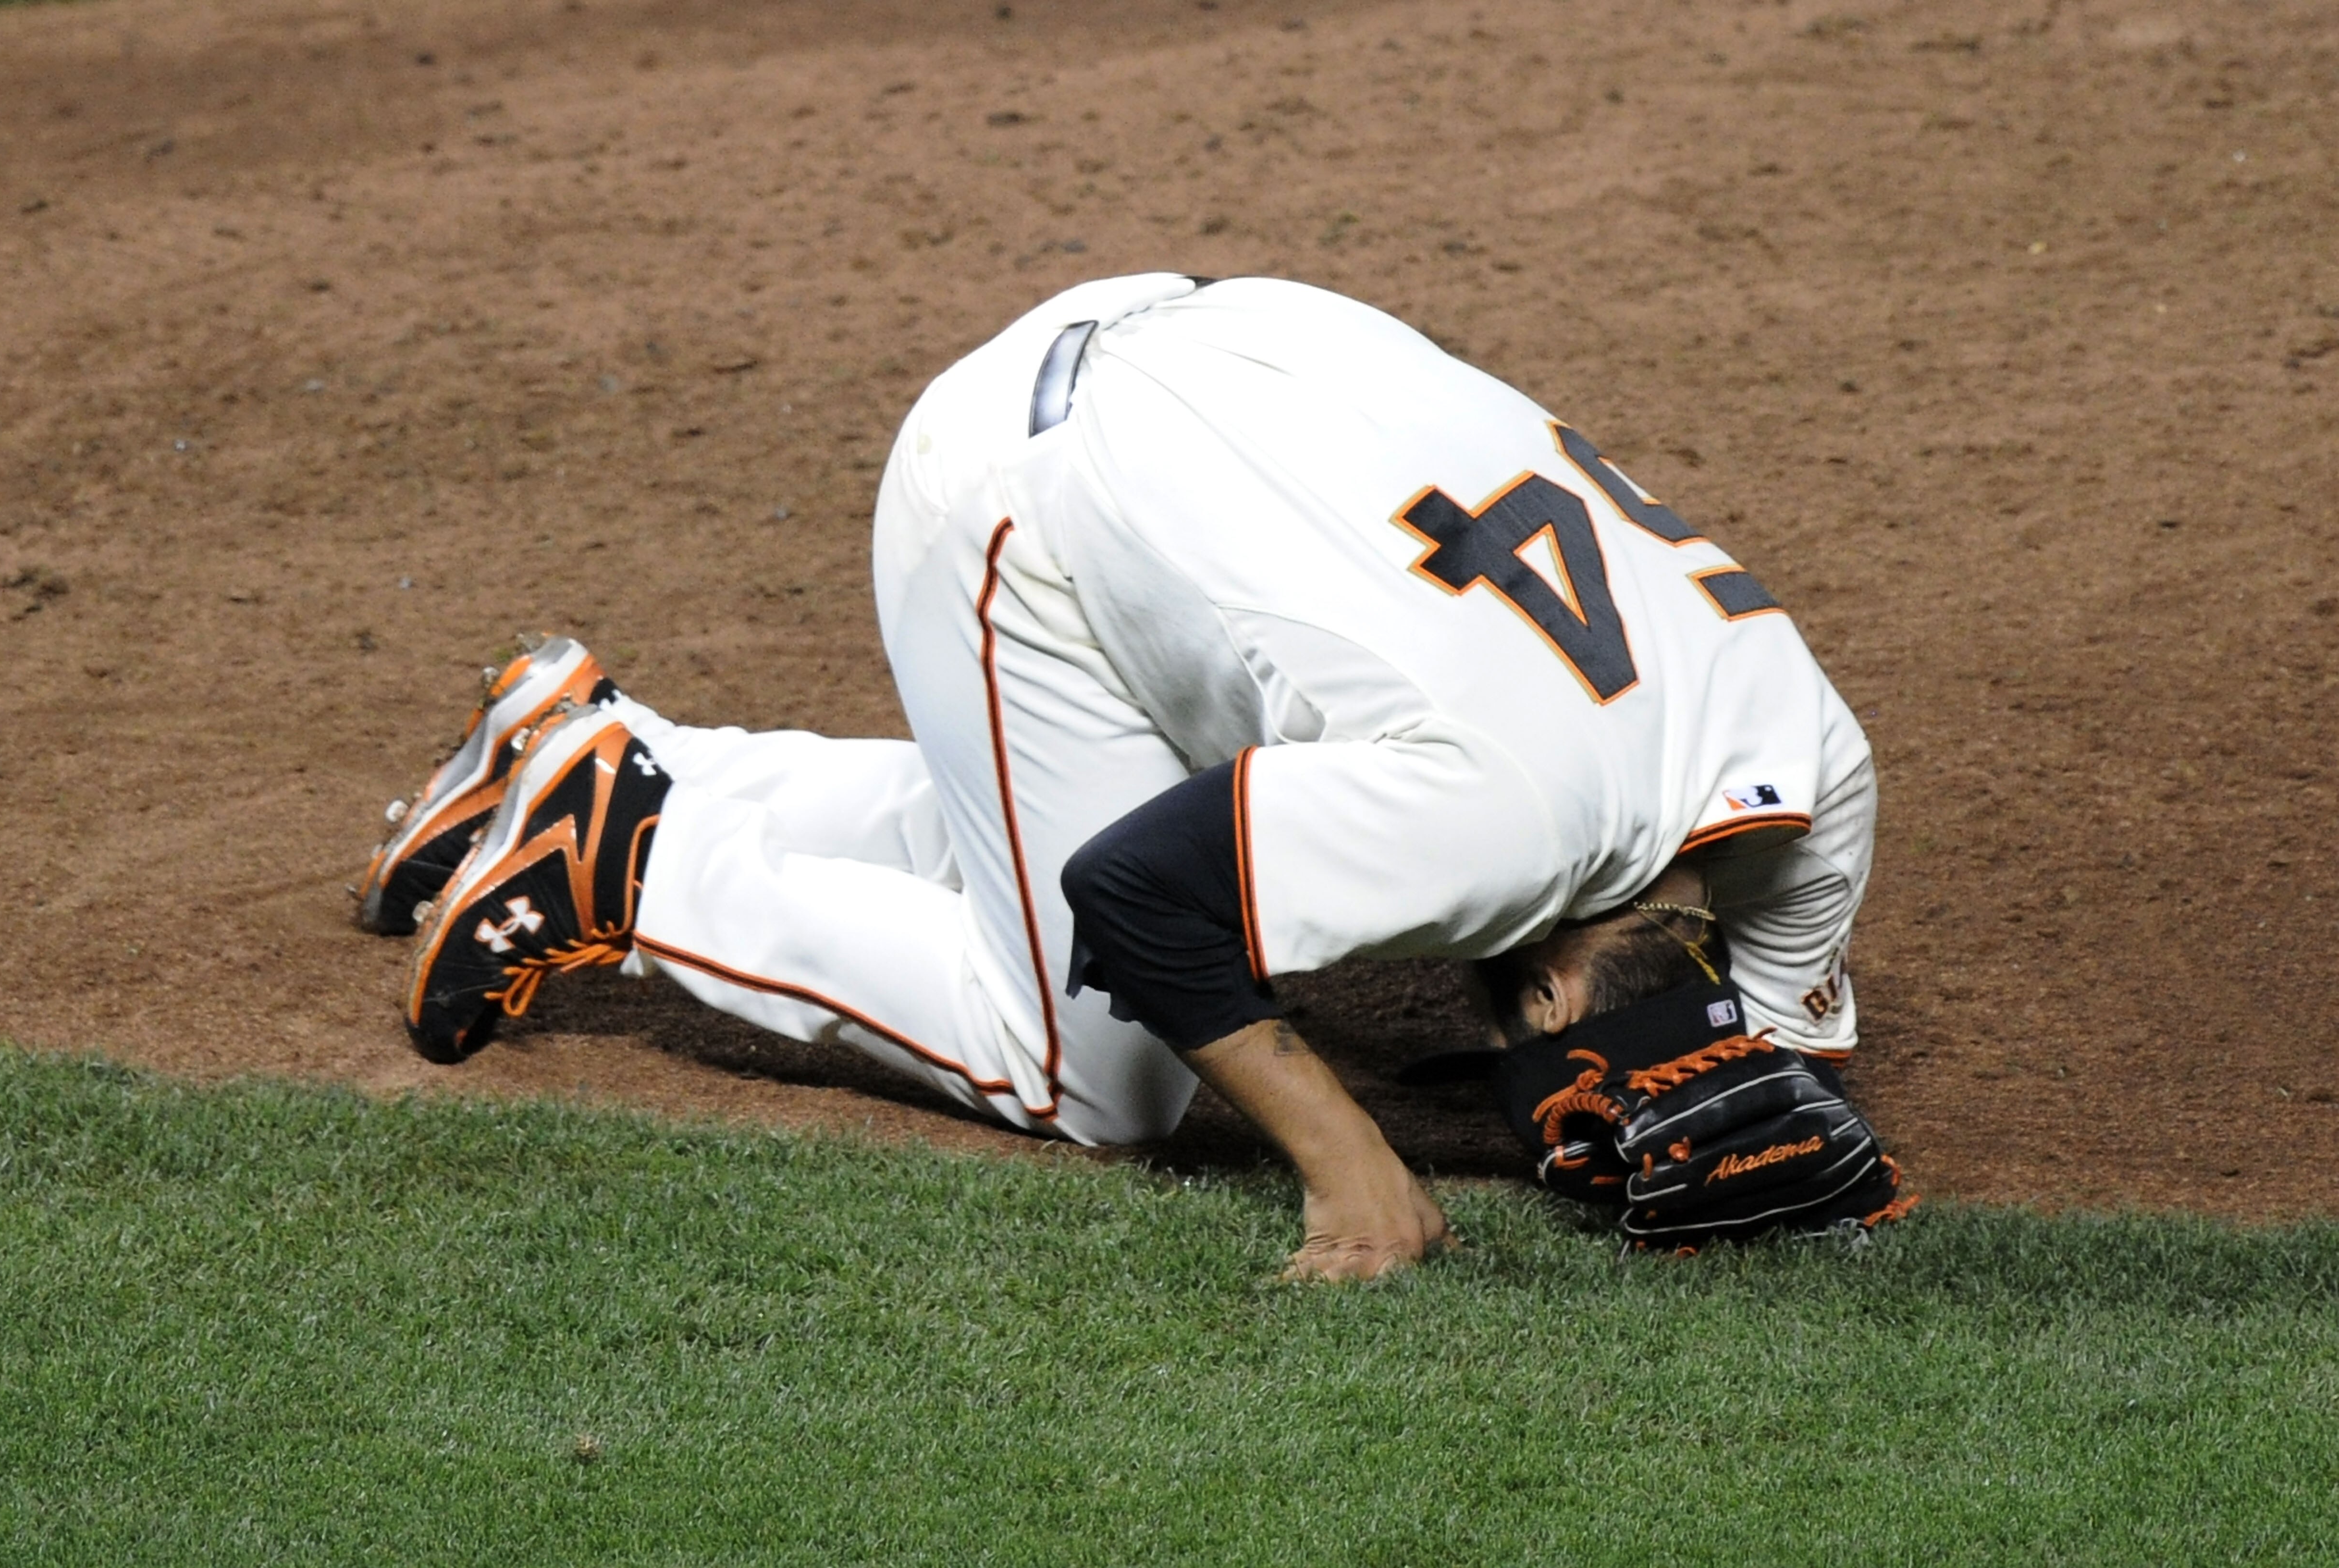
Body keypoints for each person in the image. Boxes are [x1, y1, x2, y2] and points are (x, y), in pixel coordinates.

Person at [358, 274, 1878, 1281]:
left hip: (1242, 352)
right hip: (1017, 487)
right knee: (1100, 1076)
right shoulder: (1493, 831)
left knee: (1066, 831)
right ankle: (639, 866)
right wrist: (1352, 1168)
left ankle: (604, 753)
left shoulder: (1818, 765)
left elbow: (1775, 1040)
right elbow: (1136, 893)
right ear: (1547, 995)